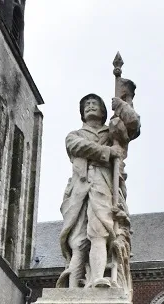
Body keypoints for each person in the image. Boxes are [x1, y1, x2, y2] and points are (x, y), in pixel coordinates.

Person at [57, 94, 124, 289]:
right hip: (78, 191)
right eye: (86, 104)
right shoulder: (74, 135)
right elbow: (76, 146)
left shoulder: (112, 133)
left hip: (102, 185)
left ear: (103, 111)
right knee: (77, 241)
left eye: (95, 103)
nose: (90, 106)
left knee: (99, 233)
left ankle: (96, 280)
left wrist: (122, 106)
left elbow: (132, 127)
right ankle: (72, 287)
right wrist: (107, 152)